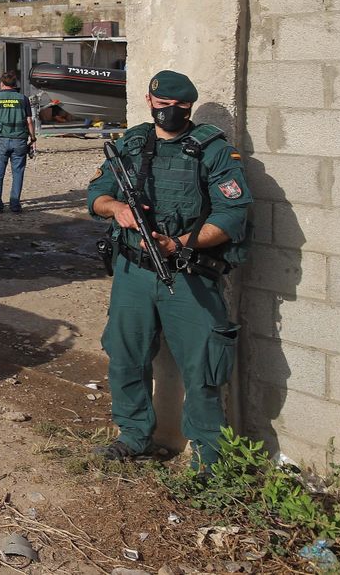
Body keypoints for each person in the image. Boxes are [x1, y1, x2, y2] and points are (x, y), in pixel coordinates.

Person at [86, 70, 251, 470]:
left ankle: (210, 459)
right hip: (133, 273)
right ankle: (134, 435)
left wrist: (179, 243)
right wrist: (118, 209)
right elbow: (95, 195)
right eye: (163, 106)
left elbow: (234, 212)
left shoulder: (213, 151)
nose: (170, 113)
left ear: (190, 108)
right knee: (125, 355)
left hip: (187, 272)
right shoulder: (132, 143)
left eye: (180, 107)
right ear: (149, 101)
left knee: (203, 367)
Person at [0, 72, 34, 214]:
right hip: (20, 140)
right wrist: (33, 138)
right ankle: (15, 204)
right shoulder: (23, 99)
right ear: (15, 84)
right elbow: (29, 121)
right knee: (18, 172)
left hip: (1, 140)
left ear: (2, 84)